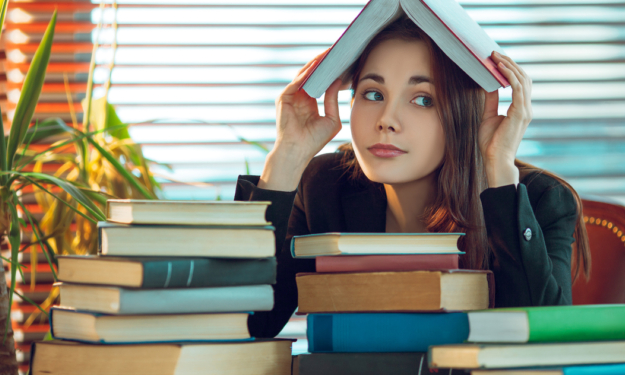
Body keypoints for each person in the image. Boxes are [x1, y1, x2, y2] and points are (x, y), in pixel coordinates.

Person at [234, 16, 591, 338]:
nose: (386, 119)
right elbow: (243, 323)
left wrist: (498, 168)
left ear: (467, 114)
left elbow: (543, 341)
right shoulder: (325, 186)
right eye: (373, 94)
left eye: (422, 100)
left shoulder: (539, 199)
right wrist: (286, 160)